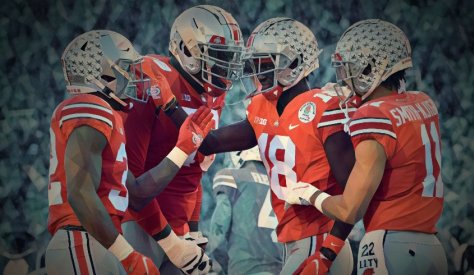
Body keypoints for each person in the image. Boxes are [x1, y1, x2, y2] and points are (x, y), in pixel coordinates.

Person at [284, 19, 448, 274]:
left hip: (390, 244)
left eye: (351, 68)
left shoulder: (372, 115)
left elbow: (350, 210)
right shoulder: (423, 102)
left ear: (372, 67)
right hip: (432, 247)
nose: (345, 79)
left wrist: (310, 194)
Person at [46, 30, 213, 275]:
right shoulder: (90, 105)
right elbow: (80, 193)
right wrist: (129, 256)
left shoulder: (109, 115)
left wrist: (183, 147)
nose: (135, 77)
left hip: (96, 239)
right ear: (102, 74)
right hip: (82, 238)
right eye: (126, 68)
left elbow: (137, 193)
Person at [200, 18, 356, 274]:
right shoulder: (262, 107)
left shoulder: (323, 107)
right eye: (255, 62)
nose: (257, 70)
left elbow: (354, 194)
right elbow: (210, 141)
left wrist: (329, 249)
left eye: (265, 62)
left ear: (293, 63)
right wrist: (169, 108)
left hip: (320, 239)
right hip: (294, 242)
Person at [121, 5, 244, 268]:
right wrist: (168, 240)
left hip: (180, 225)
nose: (226, 67)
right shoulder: (152, 77)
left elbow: (194, 170)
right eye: (218, 56)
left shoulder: (214, 93)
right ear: (188, 50)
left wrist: (193, 228)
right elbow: (131, 186)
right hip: (138, 222)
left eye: (229, 56)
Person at [207, 146, 283, 274]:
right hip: (280, 269)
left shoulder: (231, 177)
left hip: (244, 266)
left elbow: (218, 234)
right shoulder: (280, 188)